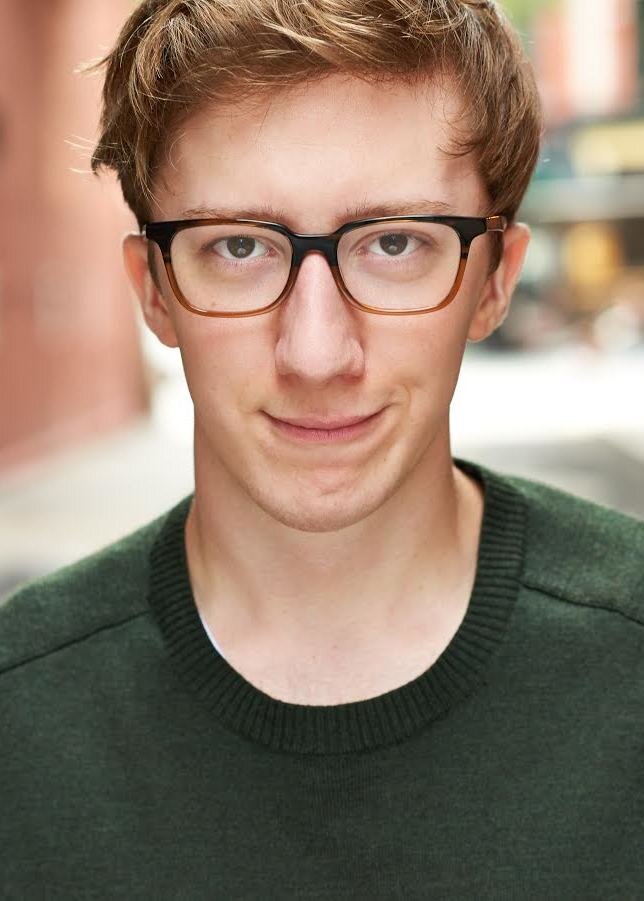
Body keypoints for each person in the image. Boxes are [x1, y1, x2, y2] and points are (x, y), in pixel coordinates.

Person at [2, 1, 642, 897]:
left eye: (394, 243)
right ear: (153, 290)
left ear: (495, 280)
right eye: (238, 246)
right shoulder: (19, 713)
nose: (315, 353)